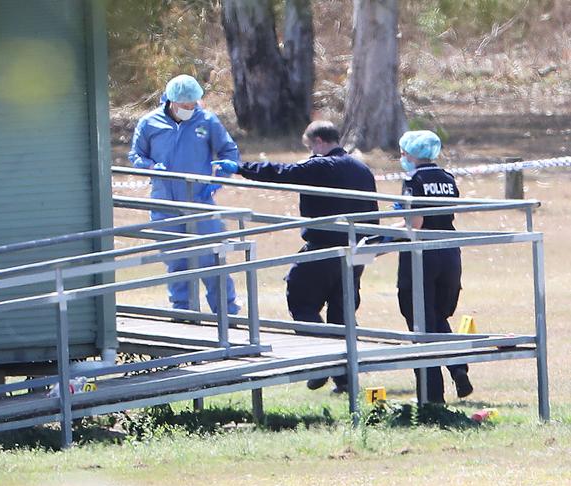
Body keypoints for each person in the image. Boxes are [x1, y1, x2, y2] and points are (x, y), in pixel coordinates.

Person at [212, 121, 379, 393]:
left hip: (323, 247)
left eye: (310, 147)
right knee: (342, 311)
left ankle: (320, 362)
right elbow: (373, 210)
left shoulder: (321, 166)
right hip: (357, 249)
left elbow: (282, 172)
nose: (309, 153)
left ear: (319, 142)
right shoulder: (361, 168)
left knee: (300, 299)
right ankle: (346, 378)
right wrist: (372, 245)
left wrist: (241, 168)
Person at [128, 74, 240, 315]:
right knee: (176, 260)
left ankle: (227, 314)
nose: (190, 109)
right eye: (185, 105)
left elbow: (229, 152)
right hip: (164, 203)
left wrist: (221, 175)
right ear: (171, 101)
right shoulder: (149, 123)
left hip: (200, 200)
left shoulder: (207, 121)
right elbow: (136, 156)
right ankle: (183, 312)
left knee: (212, 258)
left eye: (193, 104)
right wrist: (150, 166)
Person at [396, 130, 473, 403]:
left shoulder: (413, 180)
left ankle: (432, 398)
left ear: (412, 154)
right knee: (438, 316)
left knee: (420, 323)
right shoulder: (448, 179)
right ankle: (457, 367)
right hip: (449, 253)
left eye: (403, 153)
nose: (402, 158)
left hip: (422, 257)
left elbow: (415, 224)